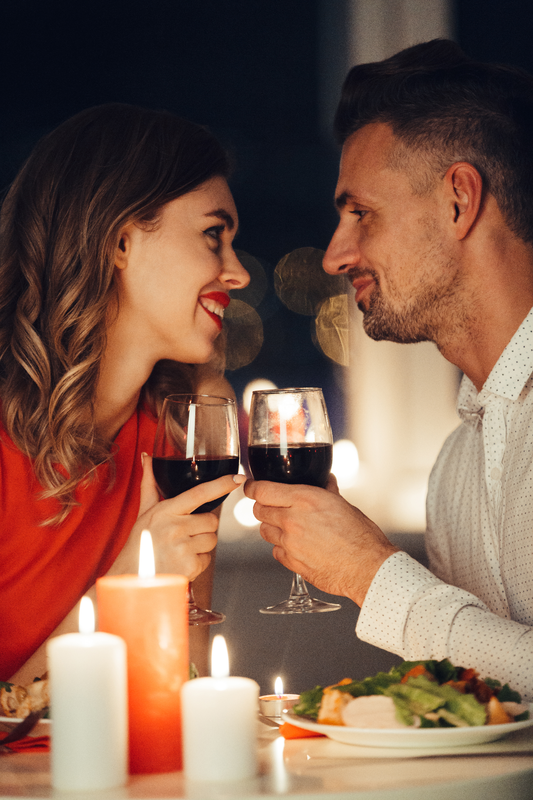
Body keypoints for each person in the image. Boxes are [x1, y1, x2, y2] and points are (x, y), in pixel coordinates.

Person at [245, 39, 533, 701]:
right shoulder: (455, 468)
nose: (334, 255)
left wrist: (371, 575)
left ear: (459, 200)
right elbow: (483, 710)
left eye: (360, 213)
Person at [0, 103, 249, 683]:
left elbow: (173, 683)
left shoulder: (187, 421)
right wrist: (130, 585)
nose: (236, 272)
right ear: (118, 242)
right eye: (214, 235)